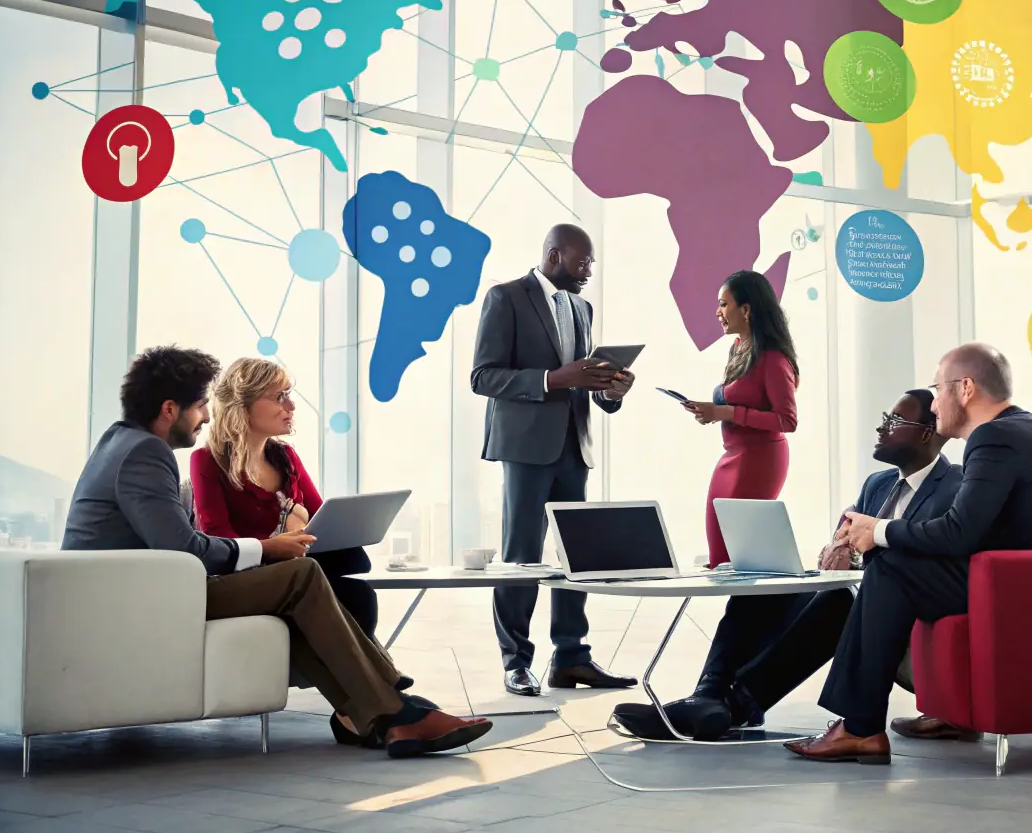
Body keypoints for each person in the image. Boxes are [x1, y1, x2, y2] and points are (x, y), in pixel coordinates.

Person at [61, 346, 490, 758]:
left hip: (139, 591)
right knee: (301, 577)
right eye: (200, 406)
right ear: (170, 409)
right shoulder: (146, 451)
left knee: (305, 594)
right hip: (145, 600)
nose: (206, 416)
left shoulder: (120, 442)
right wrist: (269, 546)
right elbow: (185, 547)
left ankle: (382, 717)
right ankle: (398, 707)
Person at [786, 344, 1032, 764]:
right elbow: (985, 531)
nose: (934, 403)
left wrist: (877, 531)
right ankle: (926, 716)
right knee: (898, 565)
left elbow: (959, 532)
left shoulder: (993, 438)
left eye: (938, 389)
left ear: (965, 388)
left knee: (890, 569)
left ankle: (860, 728)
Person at [611, 389, 960, 741]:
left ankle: (735, 706)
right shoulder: (878, 483)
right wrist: (839, 550)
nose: (881, 428)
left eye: (894, 421)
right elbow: (851, 543)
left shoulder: (956, 487)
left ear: (926, 434)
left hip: (906, 610)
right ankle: (708, 694)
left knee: (839, 603)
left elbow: (936, 555)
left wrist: (872, 547)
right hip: (871, 599)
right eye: (884, 419)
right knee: (763, 589)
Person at [470, 224, 638, 698]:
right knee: (521, 556)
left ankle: (571, 659)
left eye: (591, 264)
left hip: (573, 446)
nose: (588, 272)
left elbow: (583, 382)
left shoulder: (582, 308)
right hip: (525, 449)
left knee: (575, 555)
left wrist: (611, 391)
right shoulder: (505, 298)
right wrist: (551, 379)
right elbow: (483, 377)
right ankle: (516, 662)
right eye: (582, 263)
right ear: (553, 255)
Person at [190, 358, 378, 641]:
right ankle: (374, 671)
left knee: (360, 594)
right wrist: (272, 548)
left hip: (302, 568)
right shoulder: (207, 460)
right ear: (243, 404)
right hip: (251, 578)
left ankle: (374, 671)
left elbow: (320, 518)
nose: (291, 406)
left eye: (289, 395)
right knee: (351, 595)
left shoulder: (285, 457)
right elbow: (219, 538)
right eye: (280, 397)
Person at [685, 270, 799, 567]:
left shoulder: (773, 359)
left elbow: (787, 421)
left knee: (737, 553)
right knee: (720, 551)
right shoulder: (738, 348)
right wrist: (711, 411)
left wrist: (724, 412)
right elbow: (740, 400)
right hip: (732, 456)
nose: (718, 312)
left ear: (746, 309)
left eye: (724, 304)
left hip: (759, 460)